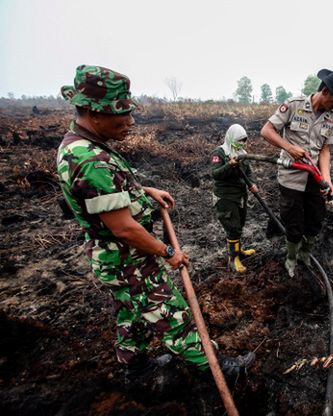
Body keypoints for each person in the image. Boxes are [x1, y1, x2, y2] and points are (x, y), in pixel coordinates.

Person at [56, 65, 254, 378]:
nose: (131, 121)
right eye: (123, 115)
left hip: (117, 258)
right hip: (127, 259)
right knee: (171, 314)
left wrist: (144, 191)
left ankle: (135, 368)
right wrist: (168, 252)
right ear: (95, 113)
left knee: (131, 311)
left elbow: (113, 193)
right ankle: (216, 368)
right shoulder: (88, 160)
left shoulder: (86, 146)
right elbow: (122, 227)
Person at [260, 68, 333, 277]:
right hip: (291, 175)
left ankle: (305, 255)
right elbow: (266, 131)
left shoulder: (332, 117)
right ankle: (291, 259)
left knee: (316, 219)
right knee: (293, 222)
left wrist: (327, 180)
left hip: (315, 177)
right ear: (325, 91)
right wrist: (290, 148)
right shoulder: (293, 105)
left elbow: (325, 150)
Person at [210, 124, 258, 273]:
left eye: (244, 140)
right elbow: (215, 174)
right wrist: (229, 165)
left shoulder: (242, 152)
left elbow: (248, 171)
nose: (242, 143)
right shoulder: (220, 152)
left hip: (240, 195)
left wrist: (252, 183)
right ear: (231, 138)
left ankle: (239, 250)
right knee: (232, 227)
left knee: (239, 224)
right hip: (225, 197)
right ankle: (234, 258)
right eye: (240, 140)